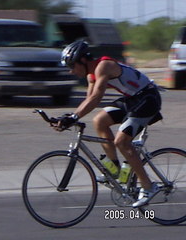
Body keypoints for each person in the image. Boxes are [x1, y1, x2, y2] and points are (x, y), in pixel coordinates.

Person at [53, 40, 162, 208]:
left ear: (82, 61)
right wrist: (69, 117)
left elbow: (97, 97)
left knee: (122, 141)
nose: (71, 71)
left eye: (72, 66)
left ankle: (148, 186)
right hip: (133, 99)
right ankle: (114, 169)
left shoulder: (103, 66)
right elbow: (89, 101)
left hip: (148, 98)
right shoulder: (91, 75)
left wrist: (73, 117)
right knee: (99, 121)